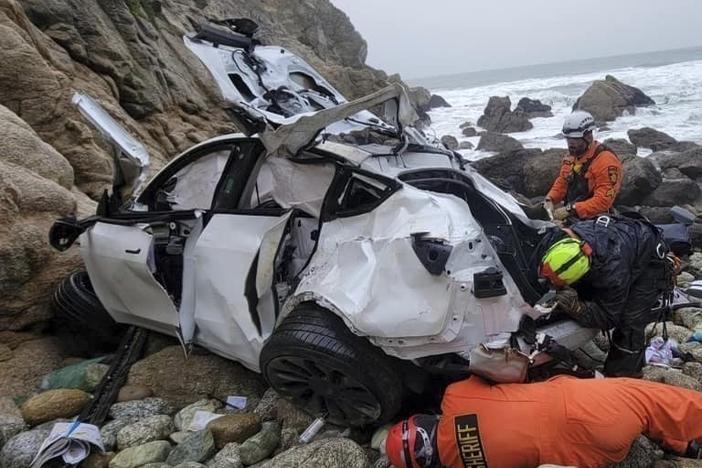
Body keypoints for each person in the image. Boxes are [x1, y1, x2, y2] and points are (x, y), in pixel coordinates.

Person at [385, 375, 702, 468]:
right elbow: (509, 373)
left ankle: (685, 448)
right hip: (592, 407)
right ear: (424, 420)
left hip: (596, 456)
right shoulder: (456, 396)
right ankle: (686, 438)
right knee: (655, 402)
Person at [535, 215, 674, 377]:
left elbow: (609, 317)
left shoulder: (613, 274)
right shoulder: (558, 239)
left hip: (648, 258)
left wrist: (577, 307)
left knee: (630, 322)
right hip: (619, 241)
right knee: (579, 297)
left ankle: (623, 374)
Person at [544, 111, 622, 222]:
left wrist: (571, 210)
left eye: (575, 140)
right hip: (573, 212)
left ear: (589, 137)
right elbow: (562, 181)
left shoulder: (606, 161)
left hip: (597, 218)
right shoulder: (571, 157)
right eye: (568, 139)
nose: (570, 144)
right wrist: (550, 199)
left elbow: (603, 201)